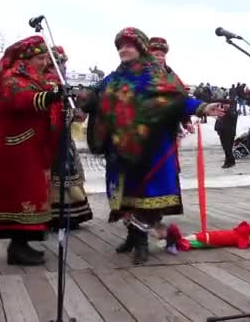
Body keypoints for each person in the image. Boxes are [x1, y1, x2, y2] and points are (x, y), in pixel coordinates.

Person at [89, 27, 225, 265]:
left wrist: (202, 107)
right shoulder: (112, 78)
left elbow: (178, 100)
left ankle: (142, 242)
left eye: (129, 45)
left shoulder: (155, 75)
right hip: (121, 149)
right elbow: (95, 97)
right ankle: (133, 236)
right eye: (120, 46)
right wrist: (85, 101)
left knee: (144, 194)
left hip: (150, 148)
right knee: (125, 195)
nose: (123, 49)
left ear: (140, 48)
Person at [0, 36, 63, 266]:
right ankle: (17, 246)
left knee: (31, 192)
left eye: (46, 58)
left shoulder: (37, 77)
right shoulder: (13, 78)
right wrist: (49, 97)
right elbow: (17, 99)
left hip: (32, 146)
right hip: (15, 148)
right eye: (41, 58)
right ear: (27, 58)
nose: (45, 62)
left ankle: (22, 244)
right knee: (21, 194)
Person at [45, 46, 93, 230]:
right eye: (58, 63)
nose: (62, 67)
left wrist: (81, 105)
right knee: (54, 173)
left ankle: (72, 213)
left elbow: (78, 116)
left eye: (64, 63)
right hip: (49, 138)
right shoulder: (46, 85)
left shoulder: (65, 87)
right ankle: (53, 214)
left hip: (64, 138)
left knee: (68, 172)